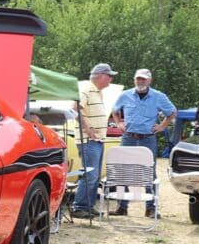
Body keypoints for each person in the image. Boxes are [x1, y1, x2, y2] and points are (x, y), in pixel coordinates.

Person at [109, 68, 177, 217]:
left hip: (148, 138)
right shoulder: (125, 95)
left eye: (143, 79)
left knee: (149, 171)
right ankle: (122, 206)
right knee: (123, 170)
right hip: (128, 137)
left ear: (149, 80)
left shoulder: (158, 96)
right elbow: (115, 110)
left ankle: (151, 208)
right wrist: (119, 122)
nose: (140, 81)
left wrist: (162, 126)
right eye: (138, 79)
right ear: (134, 80)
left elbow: (172, 112)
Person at [71, 63, 116, 219]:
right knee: (90, 174)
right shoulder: (86, 89)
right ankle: (79, 207)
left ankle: (88, 206)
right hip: (88, 140)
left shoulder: (97, 91)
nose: (110, 79)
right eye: (109, 76)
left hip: (97, 140)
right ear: (101, 75)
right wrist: (88, 129)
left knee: (94, 175)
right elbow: (75, 109)